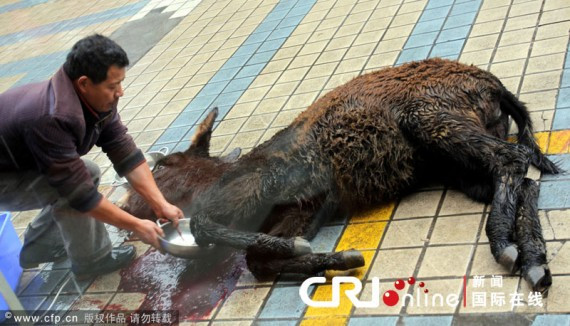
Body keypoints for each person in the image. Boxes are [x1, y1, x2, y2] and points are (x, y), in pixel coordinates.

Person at [0, 34, 183, 280]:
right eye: (112, 86)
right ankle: (92, 261)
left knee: (87, 173)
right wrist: (137, 225)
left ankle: (39, 246)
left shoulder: (93, 97)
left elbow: (124, 151)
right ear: (84, 83)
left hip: (16, 160)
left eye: (120, 82)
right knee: (73, 185)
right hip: (4, 177)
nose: (121, 92)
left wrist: (160, 203)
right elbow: (81, 195)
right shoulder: (52, 117)